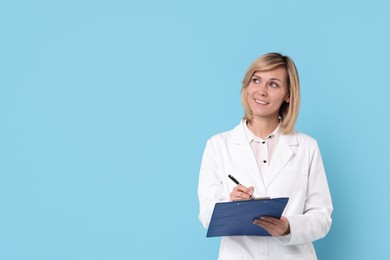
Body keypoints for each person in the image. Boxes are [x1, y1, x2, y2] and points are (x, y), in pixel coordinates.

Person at [198, 52, 333, 260]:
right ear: (247, 85)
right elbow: (207, 215)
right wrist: (230, 205)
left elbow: (322, 218)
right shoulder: (218, 146)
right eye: (256, 80)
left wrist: (288, 227)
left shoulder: (307, 147)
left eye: (273, 84)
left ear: (288, 94)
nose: (261, 91)